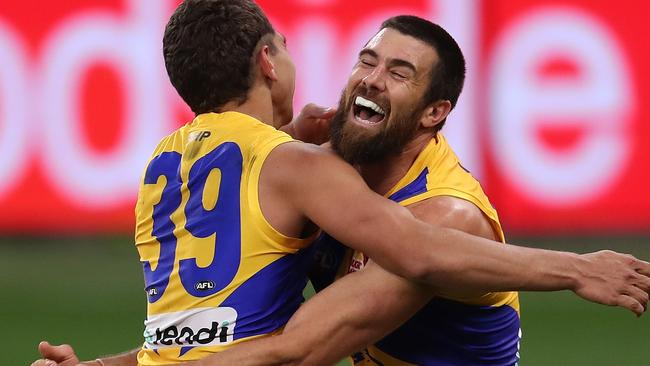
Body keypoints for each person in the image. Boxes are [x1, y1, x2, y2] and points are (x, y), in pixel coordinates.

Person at [32, 1, 650, 366]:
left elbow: (293, 351)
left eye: (400, 73)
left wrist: (577, 269)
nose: (372, 79)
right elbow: (208, 336)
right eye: (366, 60)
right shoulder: (312, 172)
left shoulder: (445, 218)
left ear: (435, 113)